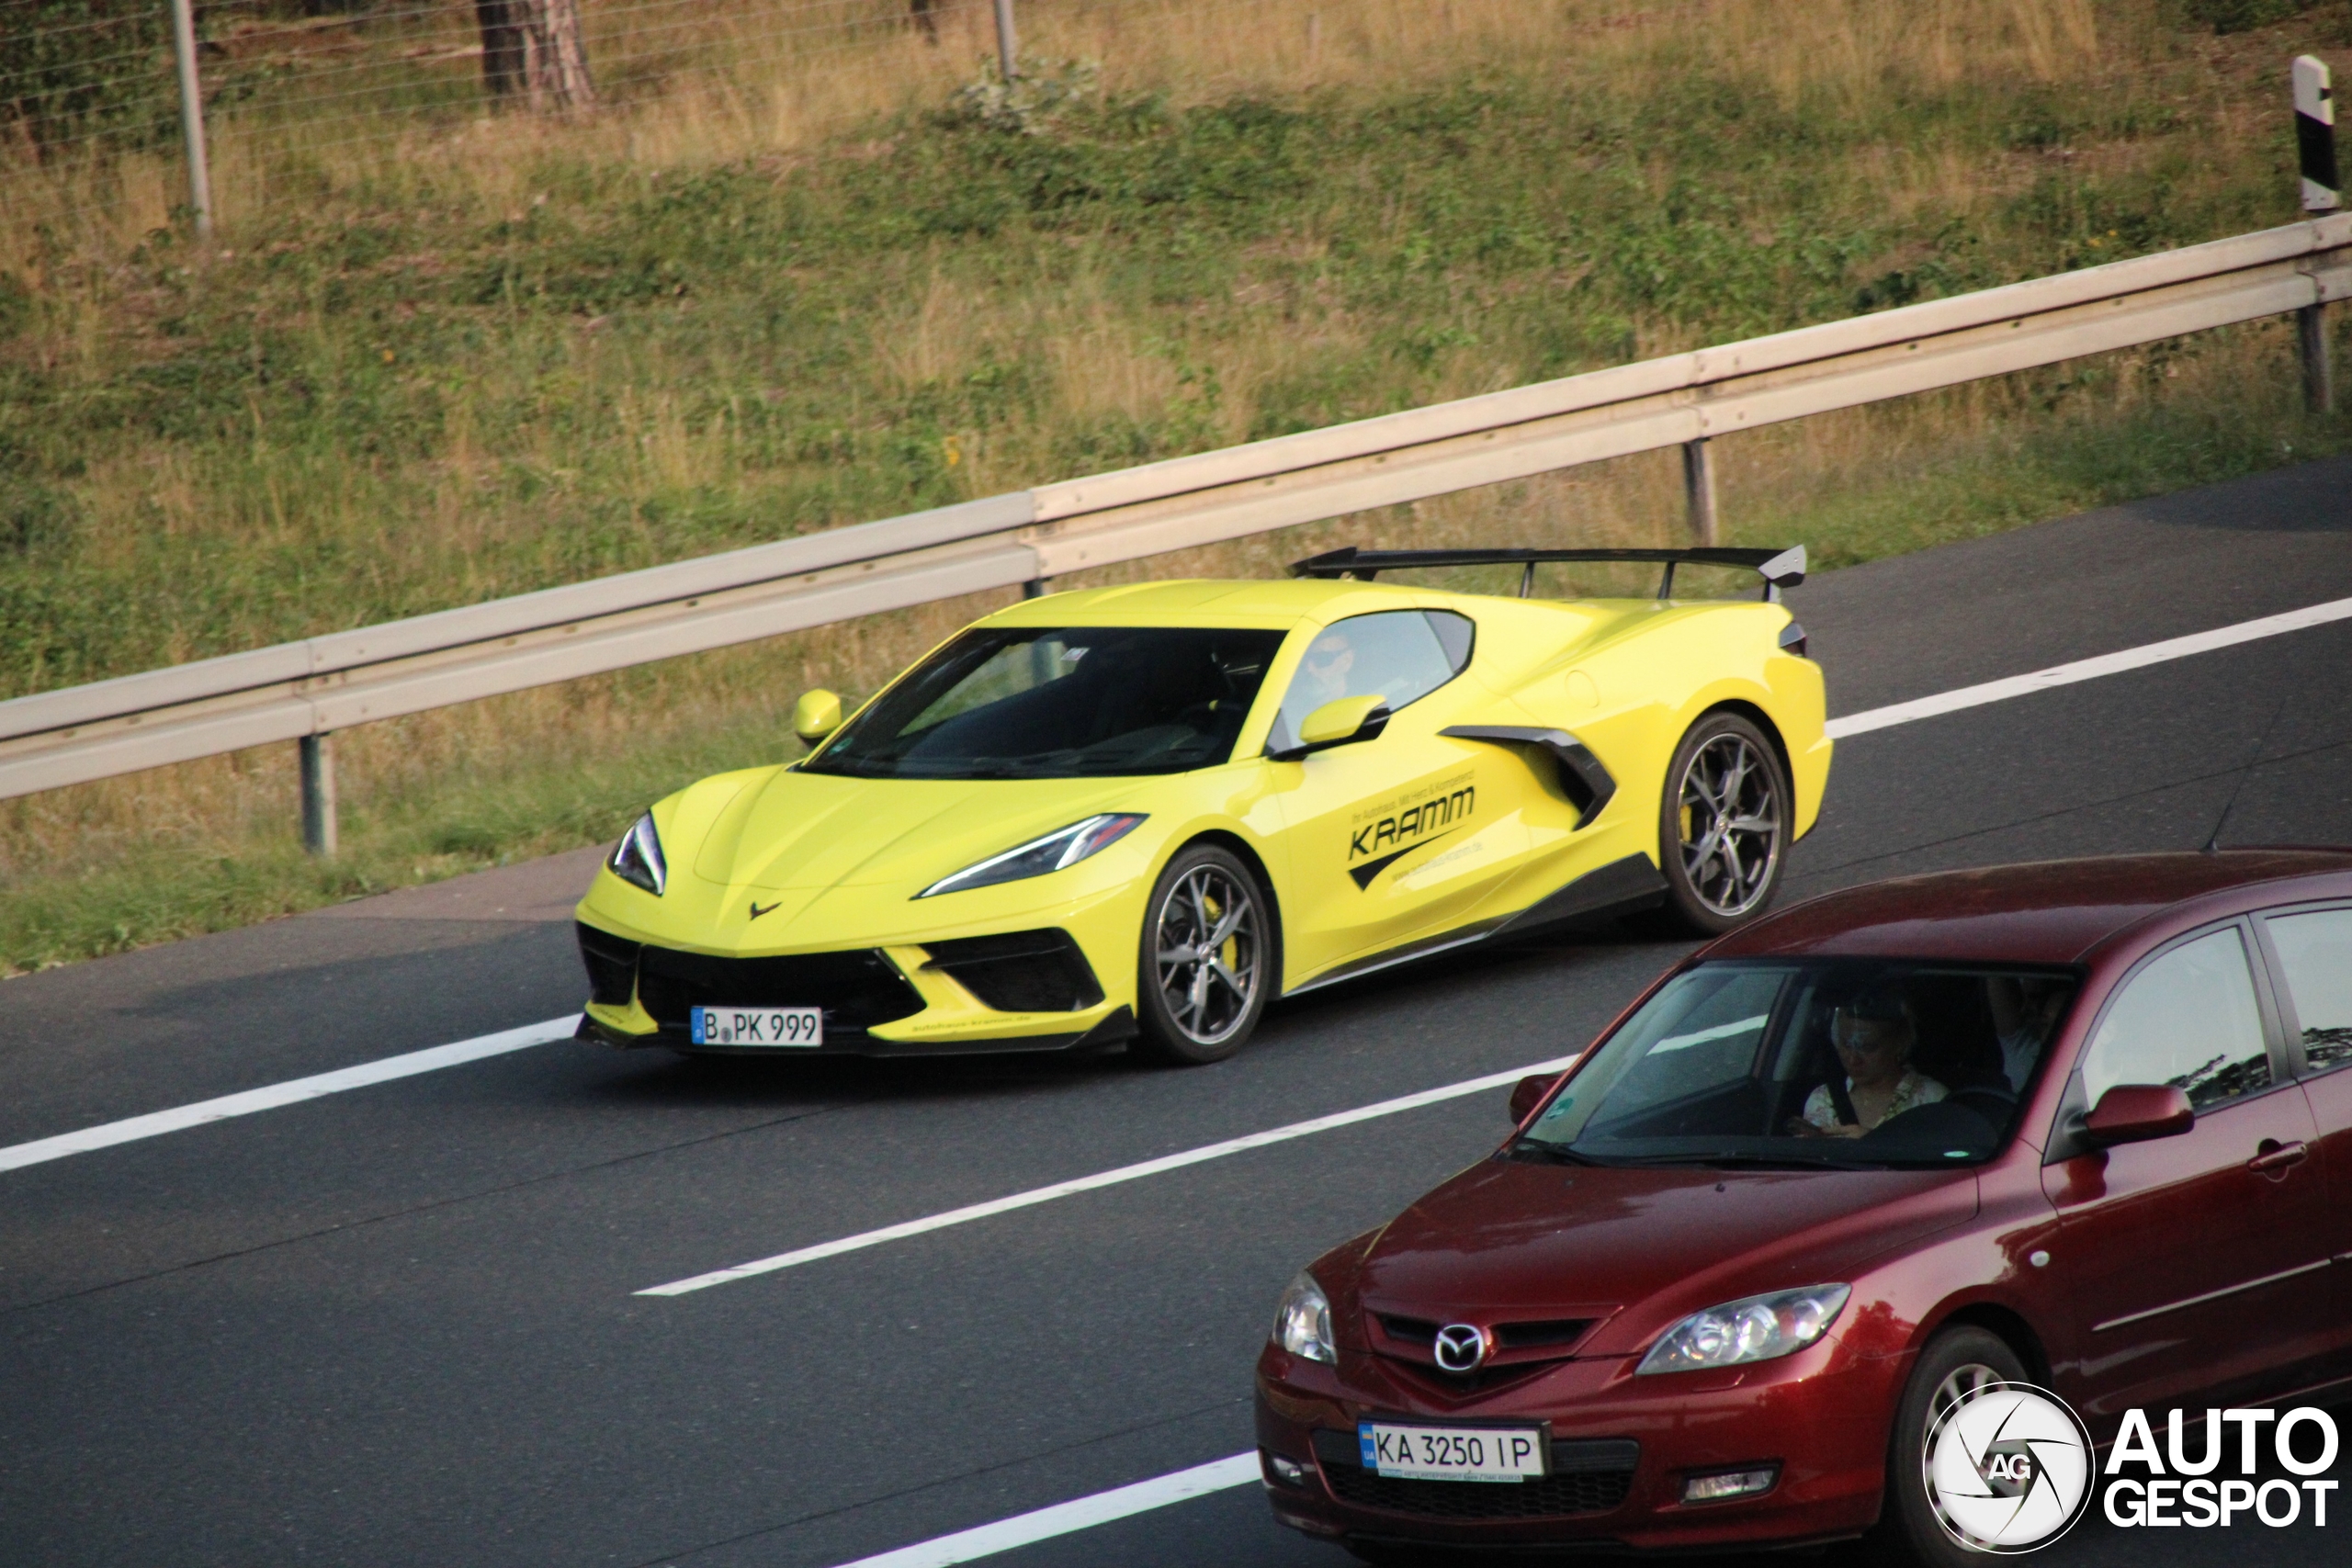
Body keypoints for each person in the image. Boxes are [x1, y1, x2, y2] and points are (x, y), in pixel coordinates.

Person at [1789, 987, 1947, 1138]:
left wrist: (1875, 1145)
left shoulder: (1932, 1100)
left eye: (1867, 1048)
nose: (1853, 1059)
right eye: (1845, 1044)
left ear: (1900, 1043)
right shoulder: (1822, 1099)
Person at [1987, 975, 2069, 1092]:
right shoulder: (2024, 1052)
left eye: (2059, 1025)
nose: (2051, 1034)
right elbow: (1995, 974)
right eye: (2045, 1024)